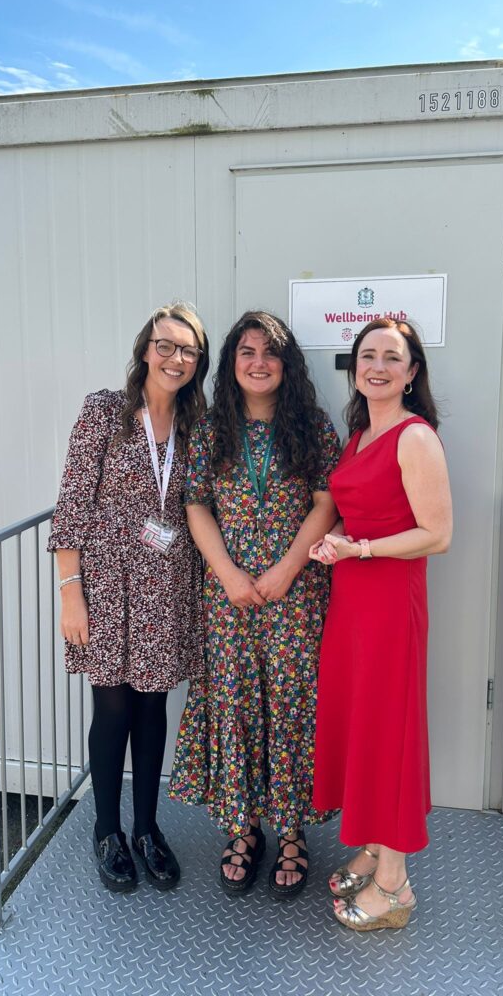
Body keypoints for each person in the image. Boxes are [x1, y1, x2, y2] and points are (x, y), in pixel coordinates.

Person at [168, 311, 341, 898]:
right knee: (235, 701)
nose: (259, 362)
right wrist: (230, 575)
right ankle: (243, 827)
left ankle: (291, 831)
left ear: (287, 364)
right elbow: (196, 506)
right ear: (231, 364)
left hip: (297, 596)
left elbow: (327, 504)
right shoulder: (211, 430)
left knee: (292, 703)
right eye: (247, 351)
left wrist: (287, 569)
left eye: (270, 353)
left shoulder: (314, 428)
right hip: (229, 597)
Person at [47, 301, 209, 893]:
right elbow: (72, 504)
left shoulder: (198, 426)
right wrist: (71, 593)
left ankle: (147, 829)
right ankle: (106, 831)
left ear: (198, 362)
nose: (176, 358)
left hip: (166, 586)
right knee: (112, 708)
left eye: (188, 350)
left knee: (151, 707)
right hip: (108, 585)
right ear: (145, 349)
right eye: (166, 345)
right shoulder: (105, 412)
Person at [309, 317, 452, 931]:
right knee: (363, 724)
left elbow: (437, 535)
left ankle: (395, 886)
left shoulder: (415, 438)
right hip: (353, 600)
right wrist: (338, 538)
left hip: (391, 602)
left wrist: (360, 550)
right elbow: (360, 510)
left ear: (412, 371)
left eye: (392, 357)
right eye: (367, 355)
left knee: (388, 731)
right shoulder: (362, 432)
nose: (377, 366)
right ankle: (372, 844)